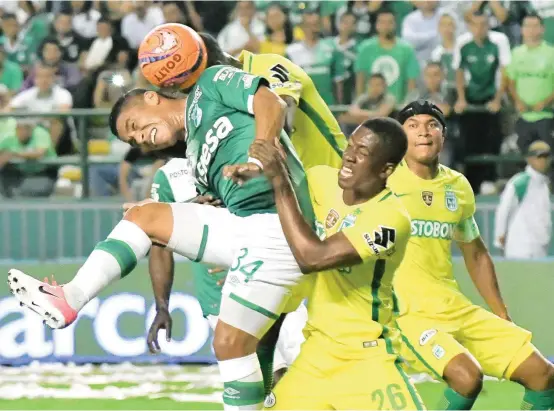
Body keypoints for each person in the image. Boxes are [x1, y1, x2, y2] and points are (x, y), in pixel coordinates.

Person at [7, 29, 316, 411]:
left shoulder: (211, 83)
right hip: (251, 232)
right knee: (229, 342)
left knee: (241, 345)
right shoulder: (195, 156)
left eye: (134, 126)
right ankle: (70, 297)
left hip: (282, 225)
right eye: (134, 143)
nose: (141, 139)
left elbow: (268, 99)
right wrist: (203, 205)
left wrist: (261, 152)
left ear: (152, 97)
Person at [242, 118, 425, 410]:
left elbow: (312, 258)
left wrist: (280, 181)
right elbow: (267, 205)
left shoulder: (391, 220)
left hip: (366, 358)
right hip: (316, 353)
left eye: (362, 152)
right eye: (350, 145)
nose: (349, 156)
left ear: (385, 170)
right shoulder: (319, 180)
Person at [389, 100, 554, 410]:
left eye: (432, 125)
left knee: (542, 374)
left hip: (455, 307)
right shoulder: (382, 181)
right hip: (408, 314)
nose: (423, 132)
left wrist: (501, 314)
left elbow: (476, 254)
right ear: (400, 136)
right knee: (467, 377)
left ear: (444, 135)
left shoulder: (458, 186)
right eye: (413, 126)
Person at [144, 157, 308, 388]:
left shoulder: (241, 151)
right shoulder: (170, 176)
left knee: (309, 366)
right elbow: (159, 247)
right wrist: (162, 306)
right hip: (218, 292)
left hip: (273, 273)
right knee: (266, 379)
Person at [495, 140, 552, 259]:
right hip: (520, 248)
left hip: (540, 249)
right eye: (539, 156)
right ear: (529, 159)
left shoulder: (545, 185)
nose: (543, 161)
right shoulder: (520, 182)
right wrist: (499, 237)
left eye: (546, 157)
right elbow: (504, 209)